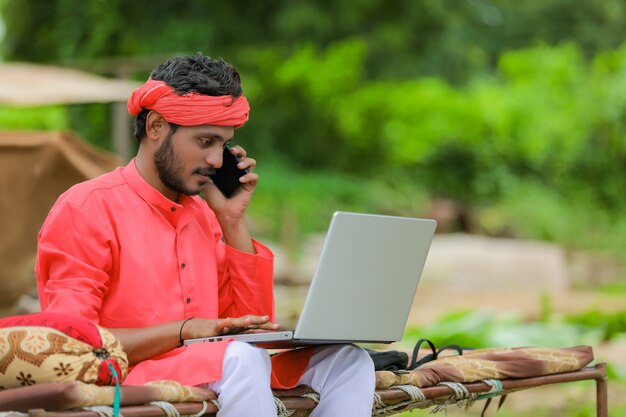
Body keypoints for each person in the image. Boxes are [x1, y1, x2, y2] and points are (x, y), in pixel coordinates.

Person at [36, 53, 375, 417]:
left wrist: (232, 221)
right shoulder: (86, 208)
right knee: (240, 361)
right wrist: (184, 330)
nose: (216, 160)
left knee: (348, 361)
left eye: (223, 144)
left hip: (222, 369)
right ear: (155, 127)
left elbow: (251, 329)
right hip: (129, 381)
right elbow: (74, 345)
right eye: (205, 141)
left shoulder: (207, 214)